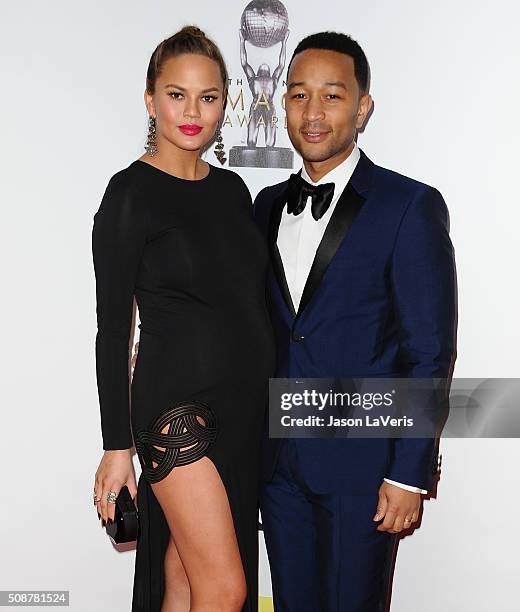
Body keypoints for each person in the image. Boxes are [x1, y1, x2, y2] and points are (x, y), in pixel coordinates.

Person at [253, 32, 457, 611]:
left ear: (363, 107)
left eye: (332, 96)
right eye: (298, 95)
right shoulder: (264, 205)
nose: (313, 113)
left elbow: (430, 351)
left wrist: (409, 474)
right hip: (277, 467)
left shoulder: (407, 206)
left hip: (364, 470)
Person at [92, 26, 275, 612]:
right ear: (150, 100)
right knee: (227, 588)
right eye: (177, 95)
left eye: (209, 97)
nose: (193, 112)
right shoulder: (128, 194)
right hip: (176, 413)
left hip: (243, 408)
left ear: (227, 100)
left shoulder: (232, 191)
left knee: (187, 577)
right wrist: (116, 447)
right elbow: (113, 331)